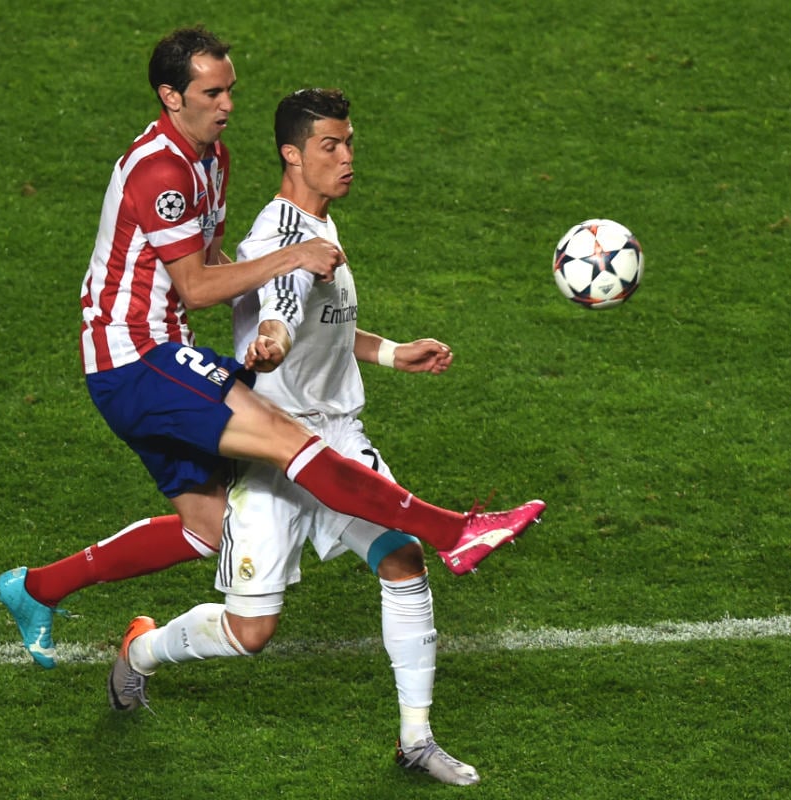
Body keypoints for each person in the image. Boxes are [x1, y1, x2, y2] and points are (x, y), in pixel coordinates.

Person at [0, 27, 546, 670]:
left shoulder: (211, 158)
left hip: (155, 353)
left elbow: (214, 264)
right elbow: (198, 286)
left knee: (206, 530)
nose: (227, 105)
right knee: (290, 440)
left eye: (230, 89)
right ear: (170, 96)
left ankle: (37, 588)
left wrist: (280, 316)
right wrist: (292, 257)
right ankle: (453, 531)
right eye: (211, 92)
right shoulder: (162, 170)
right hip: (134, 357)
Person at [107, 87, 541, 786]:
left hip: (337, 437)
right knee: (251, 635)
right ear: (291, 154)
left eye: (349, 144)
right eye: (329, 147)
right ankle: (143, 649)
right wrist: (270, 339)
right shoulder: (281, 239)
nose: (346, 159)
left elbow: (321, 329)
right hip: (276, 450)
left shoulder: (320, 227)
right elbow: (280, 313)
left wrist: (392, 351)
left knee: (402, 560)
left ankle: (415, 737)